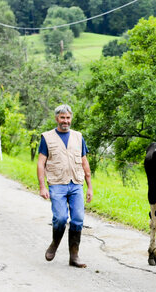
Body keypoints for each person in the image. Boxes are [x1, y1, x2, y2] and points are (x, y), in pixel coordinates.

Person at [37, 104, 93, 268]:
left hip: (76, 184)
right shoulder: (47, 137)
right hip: (57, 184)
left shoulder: (78, 136)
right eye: (62, 118)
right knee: (60, 218)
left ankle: (74, 256)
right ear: (56, 118)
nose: (65, 121)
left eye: (68, 118)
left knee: (78, 220)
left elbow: (84, 162)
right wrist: (42, 187)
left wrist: (89, 187)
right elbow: (41, 163)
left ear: (71, 118)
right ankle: (55, 243)